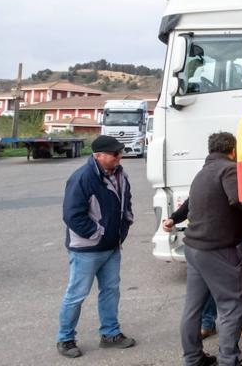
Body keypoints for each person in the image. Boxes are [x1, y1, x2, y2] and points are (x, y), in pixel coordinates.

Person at [56, 135, 136, 359]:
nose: (119, 157)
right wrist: (98, 234)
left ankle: (110, 334)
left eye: (120, 152)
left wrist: (125, 224)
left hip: (112, 247)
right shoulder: (82, 178)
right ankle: (65, 338)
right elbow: (72, 215)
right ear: (98, 155)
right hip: (86, 249)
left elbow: (125, 201)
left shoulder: (120, 174)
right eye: (114, 154)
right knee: (76, 294)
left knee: (111, 291)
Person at [179, 132, 242, 366]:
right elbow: (239, 199)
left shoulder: (202, 172)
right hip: (218, 249)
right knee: (232, 304)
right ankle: (228, 360)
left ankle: (193, 358)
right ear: (232, 149)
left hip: (194, 247)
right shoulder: (228, 169)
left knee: (193, 307)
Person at [163, 199, 219, 339]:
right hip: (202, 241)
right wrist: (173, 218)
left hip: (226, 238)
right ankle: (207, 324)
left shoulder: (232, 179)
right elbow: (191, 201)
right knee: (204, 285)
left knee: (234, 283)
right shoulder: (202, 179)